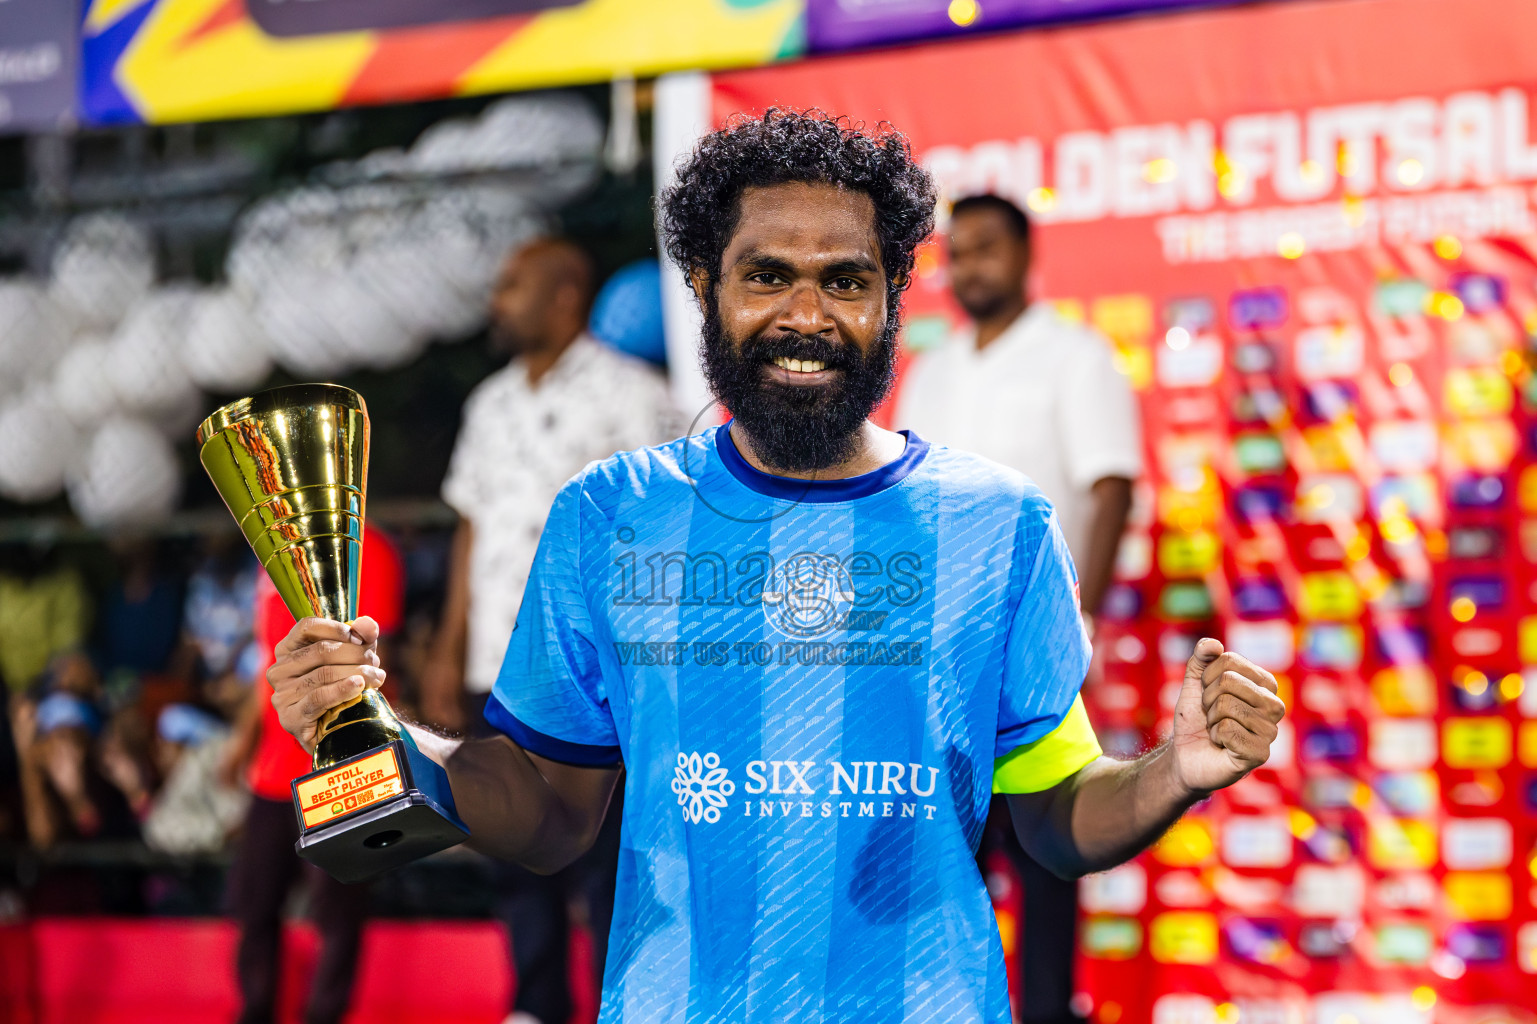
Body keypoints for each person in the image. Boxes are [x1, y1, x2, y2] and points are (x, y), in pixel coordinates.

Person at [266, 110, 1285, 1024]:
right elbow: (543, 805)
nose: (807, 314)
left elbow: (1056, 814)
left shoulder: (1000, 525)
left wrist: (1171, 772)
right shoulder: (609, 517)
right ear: (705, 284)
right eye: (767, 276)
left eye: (845, 279)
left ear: (890, 296)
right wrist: (387, 737)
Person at [894, 193, 1141, 1024]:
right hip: (934, 660)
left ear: (1026, 253)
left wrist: (1080, 623)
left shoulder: (1074, 356)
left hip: (1033, 648)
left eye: (986, 248)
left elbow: (1110, 487)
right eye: (956, 252)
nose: (968, 266)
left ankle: (1043, 1011)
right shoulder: (932, 372)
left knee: (1043, 850)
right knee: (942, 850)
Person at [420, 236, 681, 1024]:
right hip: (496, 656)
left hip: (595, 667)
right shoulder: (488, 403)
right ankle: (534, 1005)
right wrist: (446, 646)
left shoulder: (633, 393)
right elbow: (472, 528)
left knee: (604, 845)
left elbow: (663, 532)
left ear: (565, 295)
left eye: (512, 285)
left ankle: (620, 1003)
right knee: (505, 832)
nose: (497, 300)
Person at [221, 524, 404, 1024]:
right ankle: (255, 1012)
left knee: (337, 913)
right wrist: (245, 739)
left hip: (337, 770)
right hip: (270, 773)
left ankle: (325, 1017)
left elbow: (370, 663)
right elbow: (269, 665)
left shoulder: (369, 551)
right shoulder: (271, 549)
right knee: (253, 903)